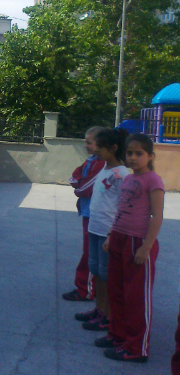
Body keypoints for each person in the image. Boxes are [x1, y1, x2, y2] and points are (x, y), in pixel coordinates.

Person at [96, 134, 164, 363]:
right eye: (129, 153)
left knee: (136, 297)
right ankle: (118, 335)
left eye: (139, 153)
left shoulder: (153, 180)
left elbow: (157, 216)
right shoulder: (128, 179)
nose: (133, 157)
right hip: (119, 238)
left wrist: (146, 247)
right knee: (117, 291)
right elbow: (121, 208)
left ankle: (136, 348)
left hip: (138, 242)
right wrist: (110, 235)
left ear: (150, 156)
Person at [75, 128, 129, 333]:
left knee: (107, 275)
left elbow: (123, 206)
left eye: (100, 147)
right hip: (94, 229)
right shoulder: (104, 170)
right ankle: (99, 309)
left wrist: (112, 233)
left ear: (113, 148)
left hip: (108, 233)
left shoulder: (122, 174)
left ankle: (108, 315)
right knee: (96, 270)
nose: (95, 149)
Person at [62, 127, 104, 302]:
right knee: (91, 253)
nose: (85, 145)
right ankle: (90, 289)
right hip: (88, 213)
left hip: (96, 215)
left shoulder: (102, 164)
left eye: (89, 142)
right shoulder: (91, 161)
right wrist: (78, 183)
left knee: (90, 254)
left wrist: (78, 187)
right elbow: (75, 175)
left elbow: (85, 188)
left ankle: (85, 289)